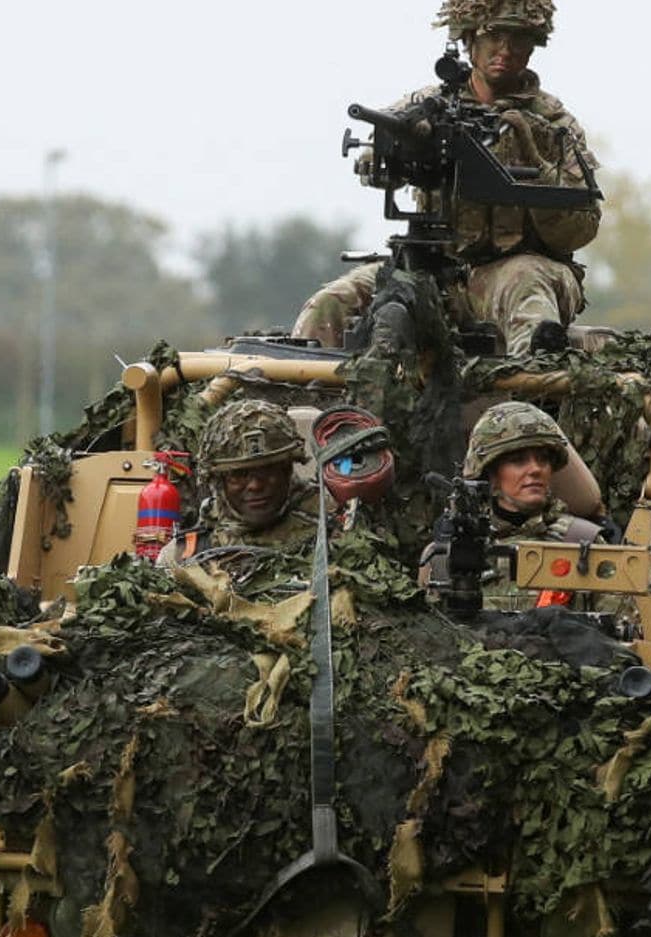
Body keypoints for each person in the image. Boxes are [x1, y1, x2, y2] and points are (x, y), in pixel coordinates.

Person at [291, 0, 599, 357]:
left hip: (520, 270)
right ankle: (308, 403)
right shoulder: (428, 106)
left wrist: (535, 162)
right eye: (494, 36)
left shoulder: (555, 126)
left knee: (526, 289)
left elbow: (581, 227)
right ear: (468, 39)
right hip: (433, 267)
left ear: (533, 46)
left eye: (519, 39)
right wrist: (386, 157)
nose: (506, 50)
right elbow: (379, 159)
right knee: (332, 303)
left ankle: (528, 405)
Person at [424, 401, 605, 609]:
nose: (536, 469)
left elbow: (621, 634)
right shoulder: (448, 553)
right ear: (490, 473)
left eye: (543, 459)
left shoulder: (582, 543)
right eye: (518, 460)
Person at [158, 398, 316, 569]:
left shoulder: (330, 535)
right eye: (239, 475)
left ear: (287, 470)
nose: (255, 485)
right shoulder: (184, 554)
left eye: (267, 471)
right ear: (219, 481)